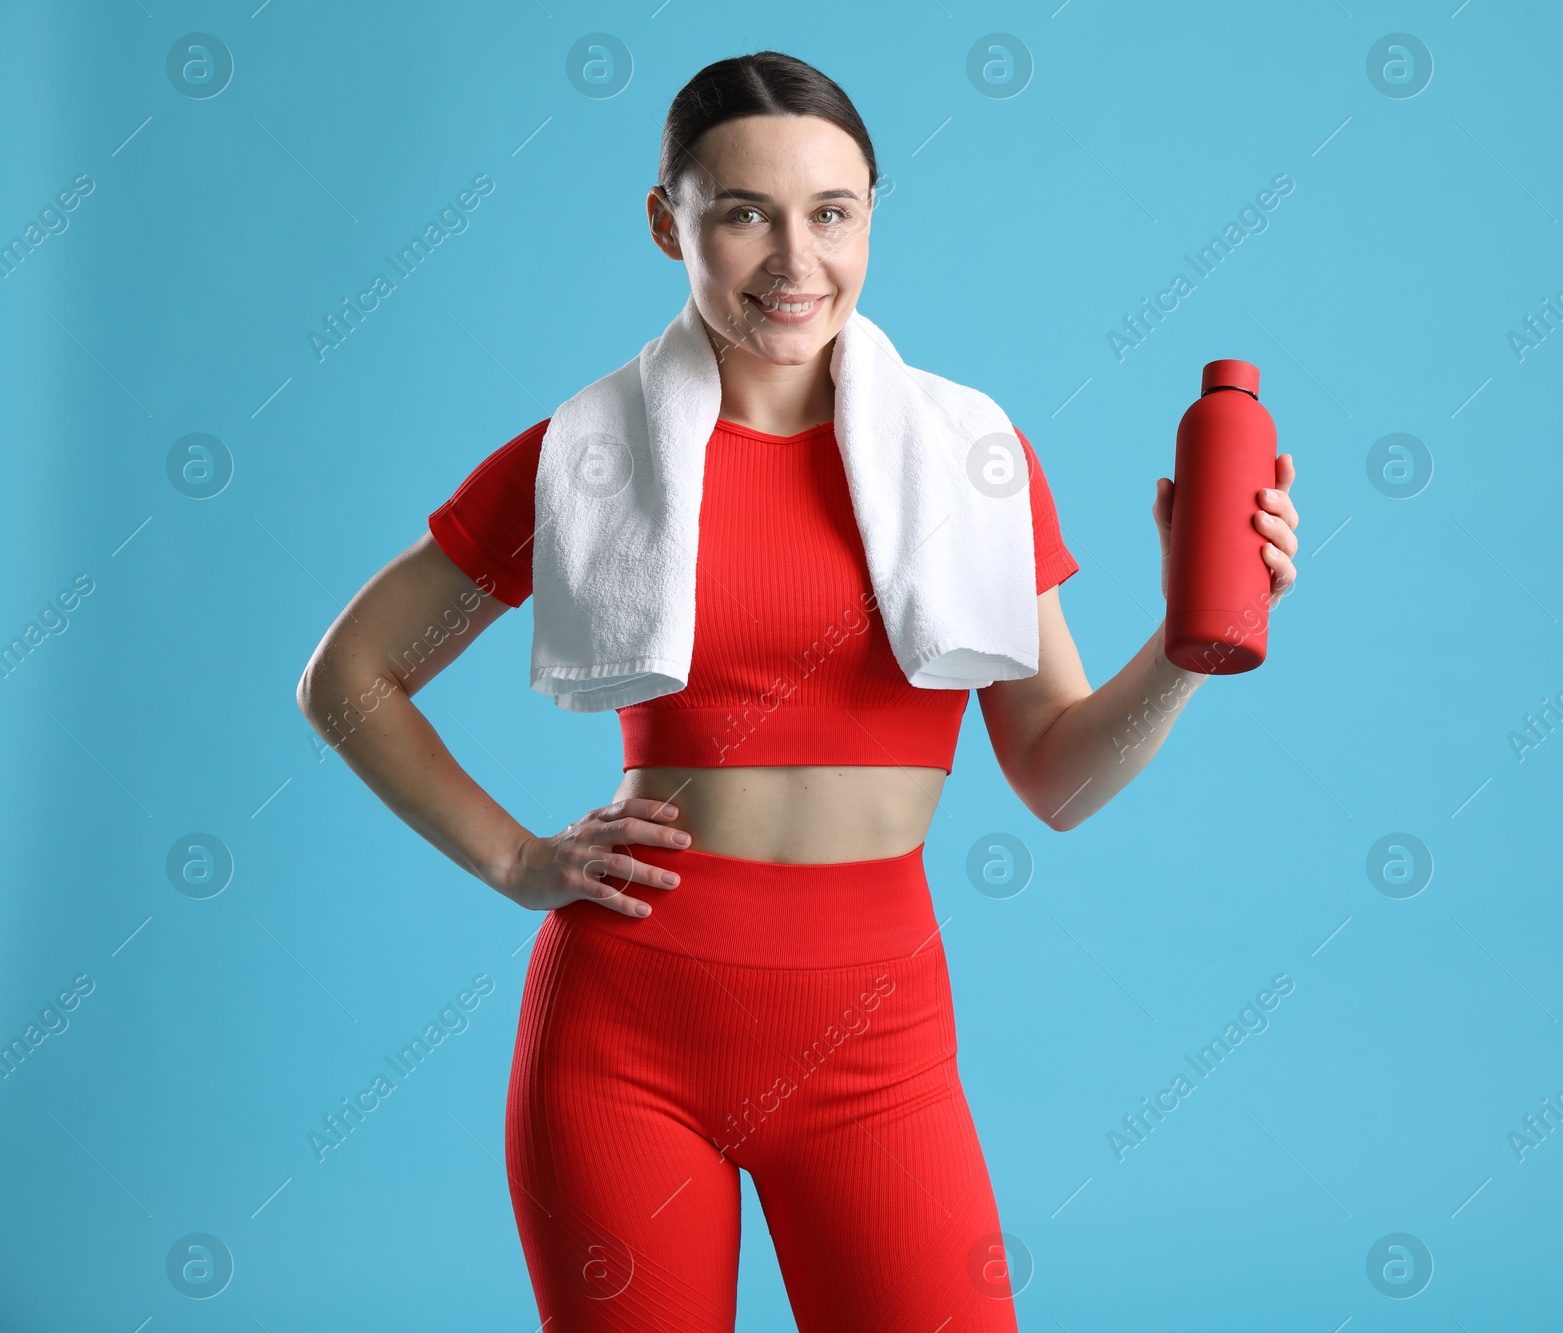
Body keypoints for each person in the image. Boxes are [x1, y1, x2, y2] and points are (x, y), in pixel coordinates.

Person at [296, 50, 1298, 1333]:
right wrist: (516, 861)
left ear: (872, 211)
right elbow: (350, 679)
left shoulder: (973, 457)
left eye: (830, 212)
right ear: (668, 221)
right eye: (741, 212)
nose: (793, 260)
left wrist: (1182, 640)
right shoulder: (584, 458)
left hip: (876, 1040)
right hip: (625, 1037)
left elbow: (1058, 775)